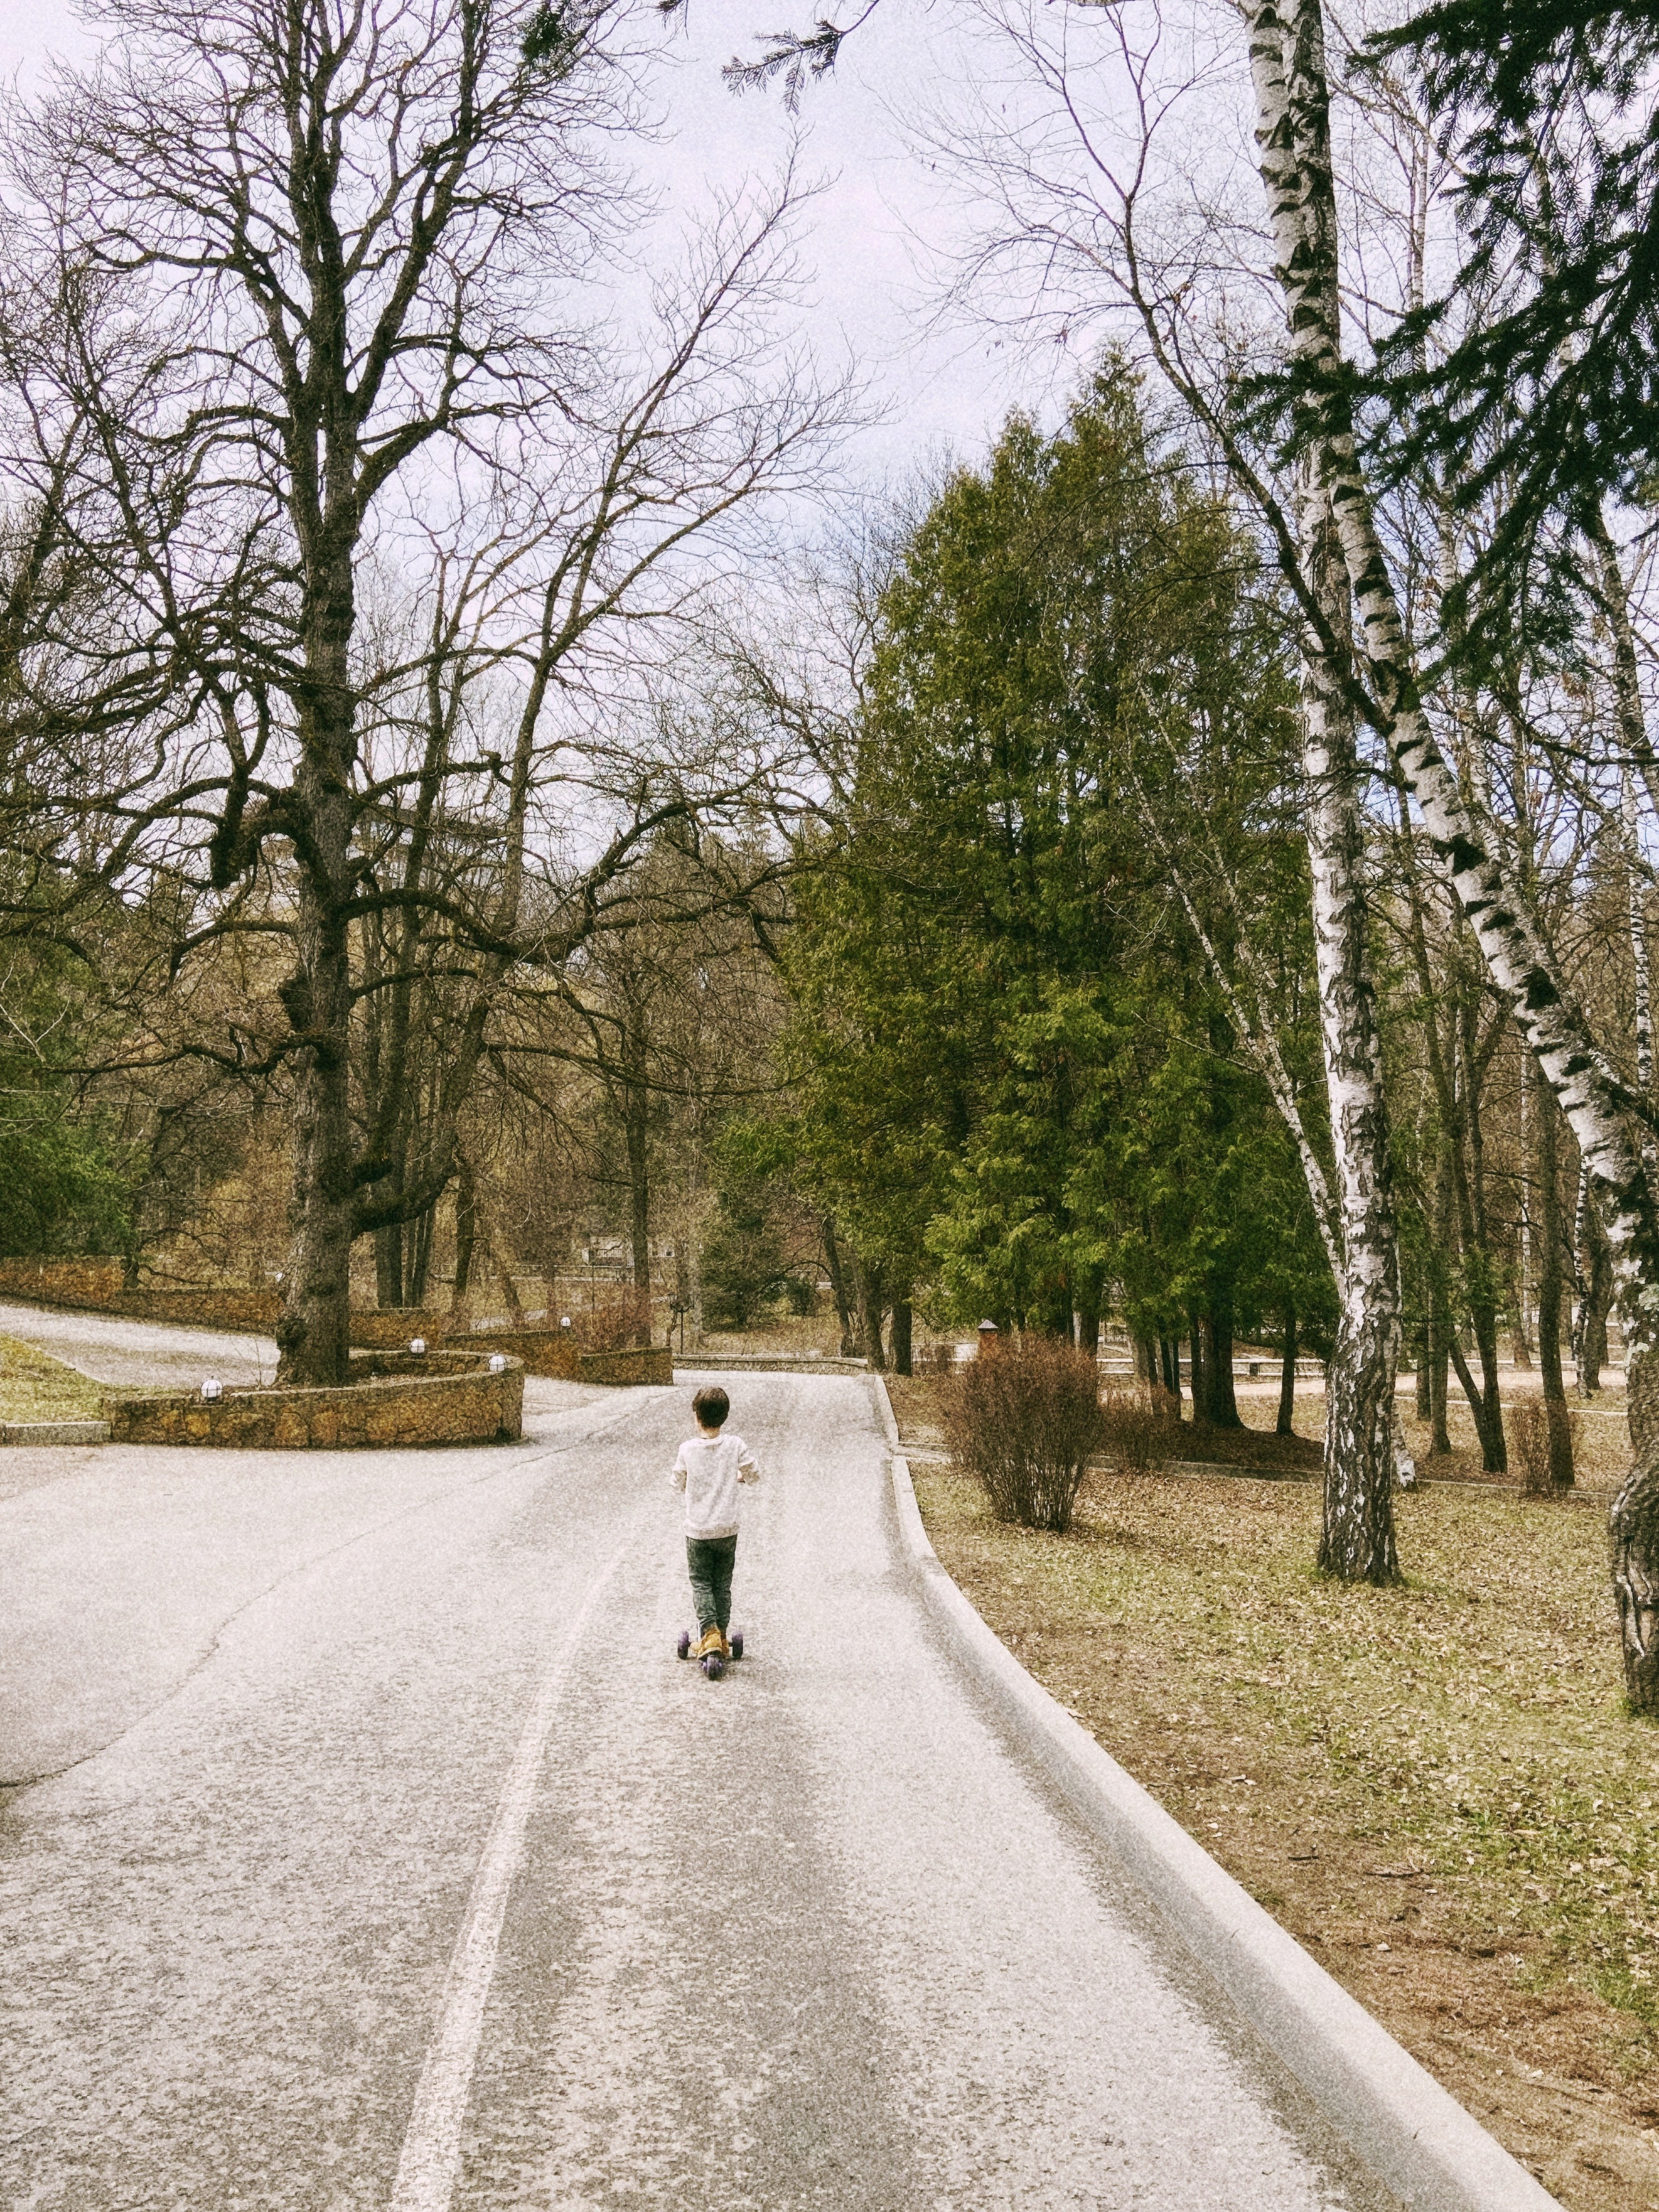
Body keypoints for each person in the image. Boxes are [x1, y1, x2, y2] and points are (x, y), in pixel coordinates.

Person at [670, 1385, 760, 1666]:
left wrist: (691, 1481)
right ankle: (721, 1636)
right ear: (725, 1416)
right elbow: (754, 1474)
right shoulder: (735, 1445)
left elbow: (677, 1483)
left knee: (701, 1582)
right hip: (727, 1529)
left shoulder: (687, 1449)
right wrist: (738, 1477)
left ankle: (708, 1633)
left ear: (697, 1416)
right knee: (722, 1584)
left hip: (698, 1530)